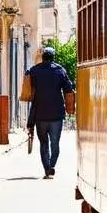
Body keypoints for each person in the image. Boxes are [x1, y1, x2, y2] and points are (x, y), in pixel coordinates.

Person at [26, 46, 74, 179]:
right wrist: (70, 108)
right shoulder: (60, 71)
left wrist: (30, 121)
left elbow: (28, 89)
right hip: (56, 115)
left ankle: (47, 168)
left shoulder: (34, 71)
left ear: (43, 57)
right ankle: (52, 165)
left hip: (40, 115)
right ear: (53, 57)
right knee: (55, 143)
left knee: (43, 144)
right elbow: (69, 89)